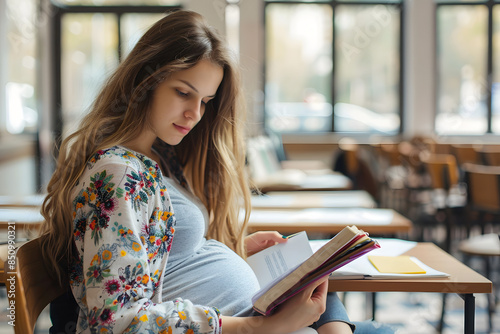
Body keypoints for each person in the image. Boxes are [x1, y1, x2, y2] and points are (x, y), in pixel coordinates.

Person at [40, 9, 394, 334]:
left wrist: (234, 252)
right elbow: (116, 322)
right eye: (183, 93)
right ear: (144, 81)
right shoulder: (119, 174)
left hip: (255, 315)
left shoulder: (158, 158)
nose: (195, 114)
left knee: (334, 298)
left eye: (206, 102)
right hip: (249, 326)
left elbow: (163, 260)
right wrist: (261, 328)